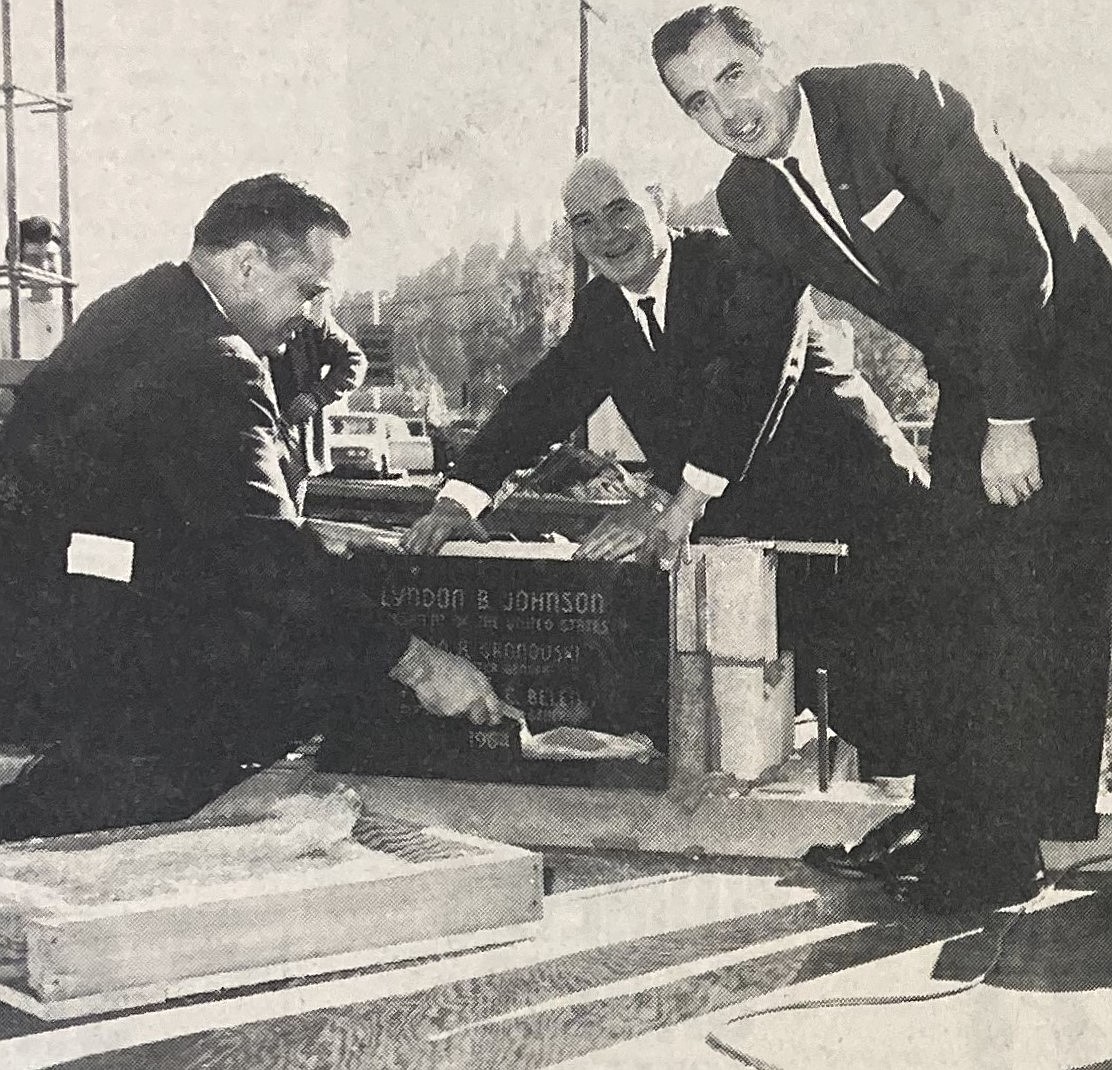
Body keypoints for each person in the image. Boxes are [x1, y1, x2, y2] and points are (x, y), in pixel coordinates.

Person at [653, 5, 1112, 911]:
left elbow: (1010, 251)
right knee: (953, 589)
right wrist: (691, 492)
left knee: (1030, 590)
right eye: (697, 103)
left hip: (1078, 345)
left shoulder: (893, 102)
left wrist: (1012, 416)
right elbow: (756, 350)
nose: (727, 112)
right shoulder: (751, 198)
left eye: (733, 76)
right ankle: (972, 840)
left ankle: (1011, 841)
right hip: (982, 375)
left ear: (771, 56)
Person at [0, 174, 511, 841]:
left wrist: (325, 535)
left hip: (45, 618)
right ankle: (52, 818)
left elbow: (180, 505)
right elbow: (266, 559)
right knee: (324, 664)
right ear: (247, 264)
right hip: (93, 656)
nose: (310, 316)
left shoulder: (134, 307)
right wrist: (421, 664)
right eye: (308, 290)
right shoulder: (216, 357)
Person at [403, 155, 929, 773]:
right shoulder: (605, 309)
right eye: (585, 222)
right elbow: (541, 401)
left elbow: (750, 391)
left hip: (867, 510)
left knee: (906, 694)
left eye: (620, 209)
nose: (607, 235)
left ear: (658, 200)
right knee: (847, 704)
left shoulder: (738, 265)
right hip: (760, 524)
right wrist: (458, 498)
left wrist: (672, 506)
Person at [267, 296, 367, 512]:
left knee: (288, 517)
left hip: (291, 432)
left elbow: (354, 361)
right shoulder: (235, 310)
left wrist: (317, 396)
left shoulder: (311, 323)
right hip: (249, 425)